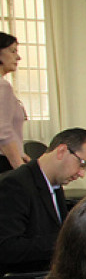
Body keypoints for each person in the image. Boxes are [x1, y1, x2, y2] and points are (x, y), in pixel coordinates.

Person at [0, 128, 86, 276]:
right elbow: (7, 248)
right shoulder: (15, 184)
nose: (82, 174)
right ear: (61, 151)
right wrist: (68, 241)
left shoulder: (55, 183)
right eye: (82, 164)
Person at [0, 32, 27, 173]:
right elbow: (3, 133)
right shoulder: (2, 86)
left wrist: (21, 154)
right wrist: (20, 167)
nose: (18, 57)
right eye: (12, 51)